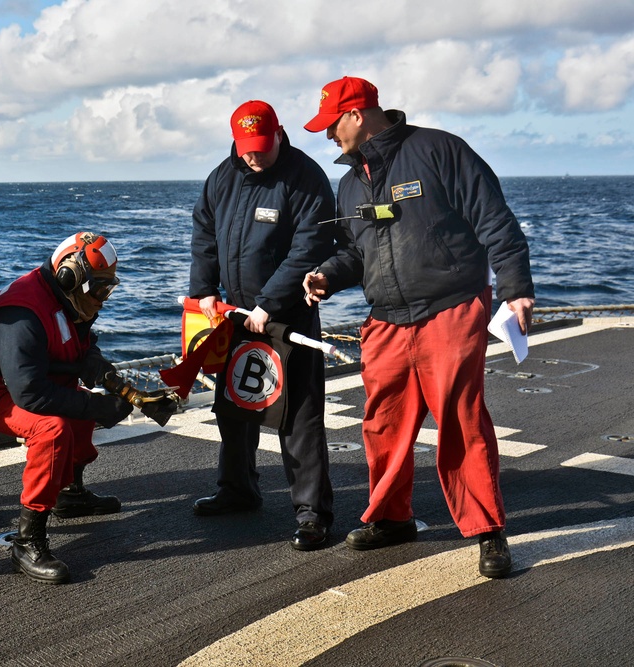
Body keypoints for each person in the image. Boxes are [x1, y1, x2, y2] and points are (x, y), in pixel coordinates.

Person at [302, 76, 535, 578]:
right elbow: (354, 253)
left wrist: (516, 288)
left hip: (450, 308)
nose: (327, 137)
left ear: (357, 115)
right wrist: (326, 275)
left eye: (331, 125)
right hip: (386, 320)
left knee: (459, 419)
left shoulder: (441, 151)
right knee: (381, 424)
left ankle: (488, 532)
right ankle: (392, 518)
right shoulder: (349, 184)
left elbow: (496, 222)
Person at [0, 232, 133, 584]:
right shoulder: (22, 313)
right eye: (99, 289)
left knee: (77, 403)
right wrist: (99, 405)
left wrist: (98, 367)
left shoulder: (70, 298)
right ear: (71, 277)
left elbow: (81, 344)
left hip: (16, 384)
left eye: (108, 289)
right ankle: (28, 541)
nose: (102, 300)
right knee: (52, 428)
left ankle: (70, 494)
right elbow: (30, 395)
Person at [189, 100, 338, 551]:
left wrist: (269, 304)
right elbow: (205, 234)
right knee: (233, 406)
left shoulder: (306, 179)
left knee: (299, 417)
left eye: (261, 147)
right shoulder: (222, 176)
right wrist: (204, 290)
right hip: (234, 316)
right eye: (246, 147)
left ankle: (313, 513)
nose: (254, 156)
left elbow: (310, 246)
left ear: (279, 133)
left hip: (287, 318)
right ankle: (237, 488)